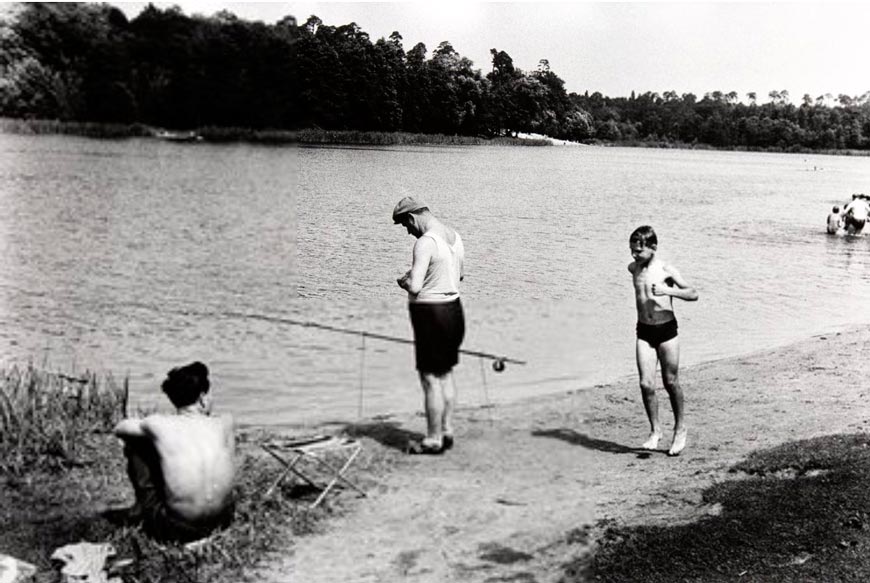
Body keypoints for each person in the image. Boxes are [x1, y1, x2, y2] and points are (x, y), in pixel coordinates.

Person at [113, 362, 235, 542]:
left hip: (177, 529)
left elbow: (120, 428)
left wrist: (151, 434)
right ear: (202, 398)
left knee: (136, 443)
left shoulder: (158, 424)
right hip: (223, 521)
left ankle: (141, 508)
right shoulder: (226, 422)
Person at [393, 196, 465, 455]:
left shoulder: (425, 243)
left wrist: (404, 281)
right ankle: (447, 431)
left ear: (412, 217)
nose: (408, 231)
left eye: (405, 225)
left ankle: (433, 440)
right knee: (445, 374)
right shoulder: (454, 237)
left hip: (430, 315)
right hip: (454, 311)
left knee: (429, 378)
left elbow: (415, 286)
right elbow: (460, 276)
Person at [628, 226, 699, 456]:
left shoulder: (666, 269)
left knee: (671, 382)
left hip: (667, 330)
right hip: (644, 331)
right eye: (632, 250)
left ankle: (680, 429)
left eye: (639, 251)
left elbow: (693, 293)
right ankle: (655, 431)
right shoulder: (633, 269)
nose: (634, 255)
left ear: (653, 248)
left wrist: (669, 290)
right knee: (646, 384)